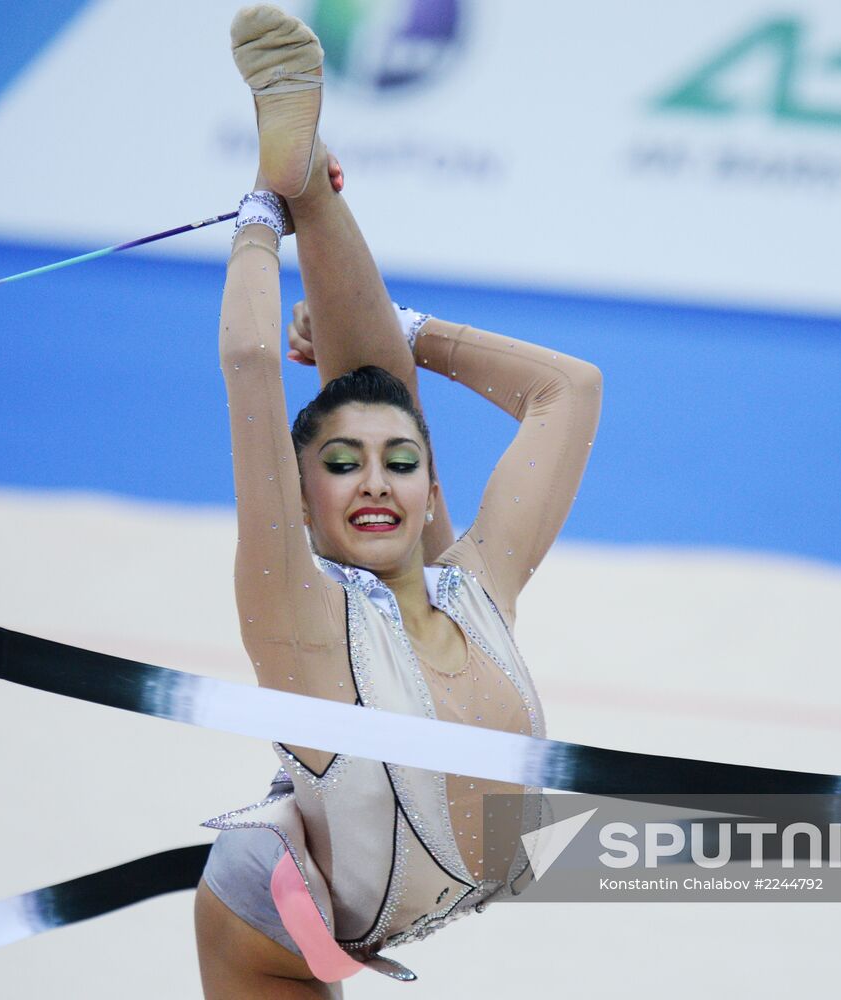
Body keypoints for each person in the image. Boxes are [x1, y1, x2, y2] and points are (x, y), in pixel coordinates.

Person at [194, 7, 602, 996]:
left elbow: (569, 390)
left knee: (372, 388)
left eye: (397, 463)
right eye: (339, 467)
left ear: (431, 489)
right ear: (302, 498)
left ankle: (313, 169)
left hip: (403, 874)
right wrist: (261, 211)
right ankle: (302, 167)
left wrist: (412, 330)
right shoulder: (295, 618)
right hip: (283, 919)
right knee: (366, 395)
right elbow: (251, 360)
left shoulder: (483, 583)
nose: (373, 479)